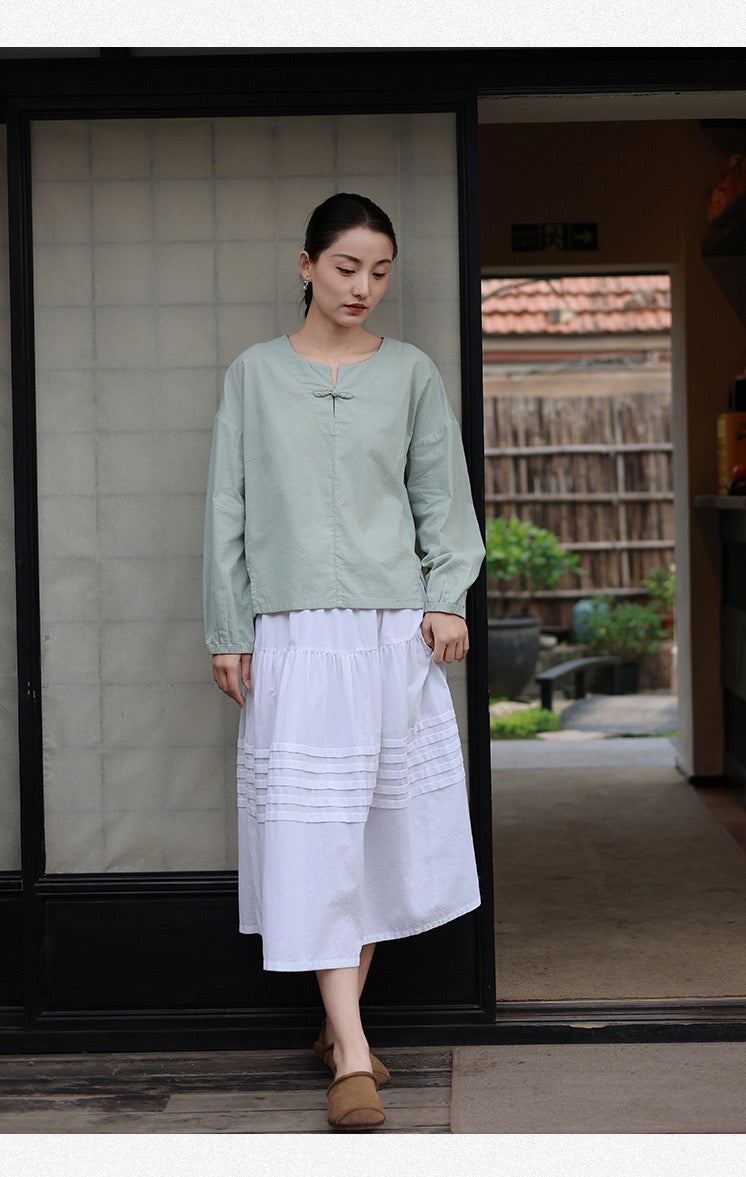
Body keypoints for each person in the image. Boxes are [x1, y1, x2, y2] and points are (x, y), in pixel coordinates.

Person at [204, 192, 485, 1130]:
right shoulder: (253, 375)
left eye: (380, 271)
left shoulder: (410, 374)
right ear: (306, 265)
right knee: (315, 835)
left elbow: (443, 498)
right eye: (346, 266)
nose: (364, 286)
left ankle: (340, 1030)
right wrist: (228, 627)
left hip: (390, 633)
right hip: (294, 637)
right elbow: (227, 507)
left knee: (373, 837)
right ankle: (354, 1055)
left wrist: (446, 595)